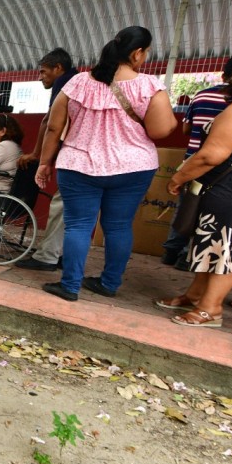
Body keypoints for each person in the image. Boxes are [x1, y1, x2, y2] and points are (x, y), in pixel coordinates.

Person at [36, 26, 177, 301]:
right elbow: (160, 131)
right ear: (137, 53)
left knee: (77, 225)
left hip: (79, 165)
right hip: (132, 168)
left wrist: (44, 162)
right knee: (118, 226)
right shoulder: (150, 86)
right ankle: (109, 283)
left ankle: (70, 286)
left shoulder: (77, 83)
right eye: (146, 53)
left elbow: (54, 128)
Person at [155, 51, 232, 328]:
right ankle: (197, 294)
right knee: (213, 244)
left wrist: (178, 177)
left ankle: (210, 309)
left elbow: (211, 155)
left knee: (227, 250)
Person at [161, 55, 232, 268]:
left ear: (223, 75)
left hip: (191, 161)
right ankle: (186, 256)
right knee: (206, 212)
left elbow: (186, 129)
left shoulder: (202, 95)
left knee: (186, 206)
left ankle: (171, 250)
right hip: (220, 166)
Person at [15, 48, 78, 271]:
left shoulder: (66, 83)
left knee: (61, 205)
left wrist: (40, 157)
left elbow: (50, 123)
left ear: (58, 68)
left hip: (77, 155)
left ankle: (47, 256)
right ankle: (62, 256)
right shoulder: (83, 81)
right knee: (81, 214)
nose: (40, 76)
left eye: (43, 72)